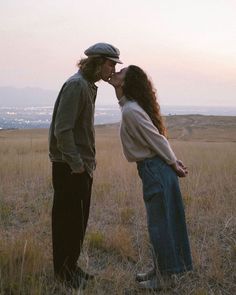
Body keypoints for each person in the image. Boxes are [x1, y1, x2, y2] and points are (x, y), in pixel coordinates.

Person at [109, 65, 193, 291]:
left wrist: (173, 162)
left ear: (127, 82)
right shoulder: (130, 107)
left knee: (160, 225)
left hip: (155, 168)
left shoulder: (131, 111)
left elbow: (156, 139)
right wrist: (117, 88)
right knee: (160, 222)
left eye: (120, 73)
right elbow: (123, 104)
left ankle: (164, 278)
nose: (115, 72)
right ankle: (160, 269)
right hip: (153, 168)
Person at [48, 42, 122, 288]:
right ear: (98, 62)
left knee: (77, 222)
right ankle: (64, 274)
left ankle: (71, 267)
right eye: (111, 63)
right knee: (66, 222)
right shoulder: (77, 85)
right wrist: (77, 165)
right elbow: (63, 129)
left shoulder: (87, 85)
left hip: (79, 167)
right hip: (70, 168)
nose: (113, 69)